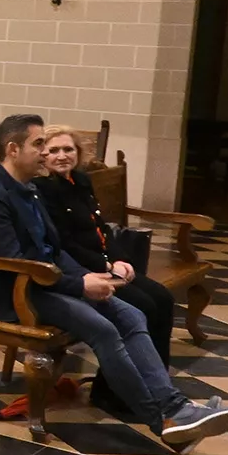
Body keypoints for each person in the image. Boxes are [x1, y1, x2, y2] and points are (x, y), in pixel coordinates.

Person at [0, 115, 228, 449]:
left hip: (47, 282)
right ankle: (163, 419)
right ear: (12, 149)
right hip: (16, 293)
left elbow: (53, 248)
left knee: (132, 315)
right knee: (104, 329)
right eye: (38, 144)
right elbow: (18, 264)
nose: (44, 152)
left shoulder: (30, 190)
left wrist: (85, 275)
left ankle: (176, 407)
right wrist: (80, 286)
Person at [34, 126, 176, 364]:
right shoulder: (43, 189)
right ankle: (116, 391)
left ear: (77, 153)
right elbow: (64, 243)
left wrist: (120, 259)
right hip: (83, 270)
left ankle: (157, 378)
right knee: (143, 306)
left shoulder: (80, 181)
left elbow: (101, 228)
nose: (62, 156)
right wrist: (106, 265)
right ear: (42, 156)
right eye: (54, 150)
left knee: (163, 298)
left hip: (106, 264)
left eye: (68, 149)